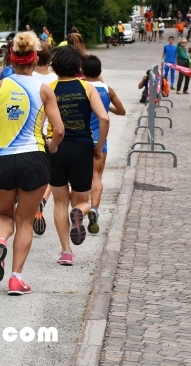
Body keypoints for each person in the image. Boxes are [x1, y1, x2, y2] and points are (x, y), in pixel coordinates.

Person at [0, 31, 64, 294]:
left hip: (1, 158)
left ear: (11, 62)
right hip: (33, 158)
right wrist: (52, 146)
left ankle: (1, 240)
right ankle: (15, 278)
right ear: (35, 62)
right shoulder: (45, 90)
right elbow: (58, 130)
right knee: (24, 220)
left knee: (3, 215)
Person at [48, 46, 109, 266]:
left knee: (59, 202)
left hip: (56, 148)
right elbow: (104, 119)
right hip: (82, 147)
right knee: (82, 201)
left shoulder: (49, 88)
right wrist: (99, 146)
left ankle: (66, 252)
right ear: (78, 67)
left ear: (55, 66)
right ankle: (79, 213)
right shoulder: (87, 88)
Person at [81, 55, 125, 234]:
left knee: (81, 179)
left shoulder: (81, 88)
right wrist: (106, 108)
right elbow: (122, 111)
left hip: (81, 139)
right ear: (100, 72)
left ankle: (80, 208)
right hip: (100, 140)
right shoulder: (108, 90)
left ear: (83, 72)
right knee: (97, 176)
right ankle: (95, 209)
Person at [30, 42, 57, 235]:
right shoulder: (56, 79)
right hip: (49, 131)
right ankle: (42, 200)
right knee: (49, 172)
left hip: (29, 130)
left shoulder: (28, 77)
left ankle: (29, 202)